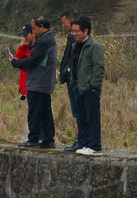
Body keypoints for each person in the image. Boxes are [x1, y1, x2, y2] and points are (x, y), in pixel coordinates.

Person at [11, 17, 57, 149]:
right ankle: (48, 139)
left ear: (41, 26)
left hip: (38, 82)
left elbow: (32, 60)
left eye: (34, 28)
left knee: (35, 112)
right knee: (45, 112)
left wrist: (15, 63)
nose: (33, 31)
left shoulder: (43, 42)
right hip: (45, 82)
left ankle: (34, 139)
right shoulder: (49, 40)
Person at [71, 16, 104, 156]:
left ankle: (95, 145)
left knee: (92, 117)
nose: (74, 34)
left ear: (86, 31)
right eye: (72, 31)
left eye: (76, 31)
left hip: (90, 88)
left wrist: (93, 85)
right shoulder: (75, 46)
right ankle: (84, 142)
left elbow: (99, 67)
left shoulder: (94, 46)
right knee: (82, 117)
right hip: (78, 87)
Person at [57, 9, 81, 152]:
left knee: (79, 111)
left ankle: (82, 140)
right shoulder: (70, 37)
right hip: (70, 78)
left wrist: (68, 72)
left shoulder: (77, 39)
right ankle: (79, 139)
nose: (63, 25)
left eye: (64, 22)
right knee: (75, 111)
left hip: (75, 80)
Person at [14, 24, 34, 101]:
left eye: (26, 35)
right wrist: (21, 47)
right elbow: (18, 59)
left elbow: (29, 60)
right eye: (24, 35)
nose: (25, 38)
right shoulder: (25, 46)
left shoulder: (36, 47)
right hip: (26, 82)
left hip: (32, 83)